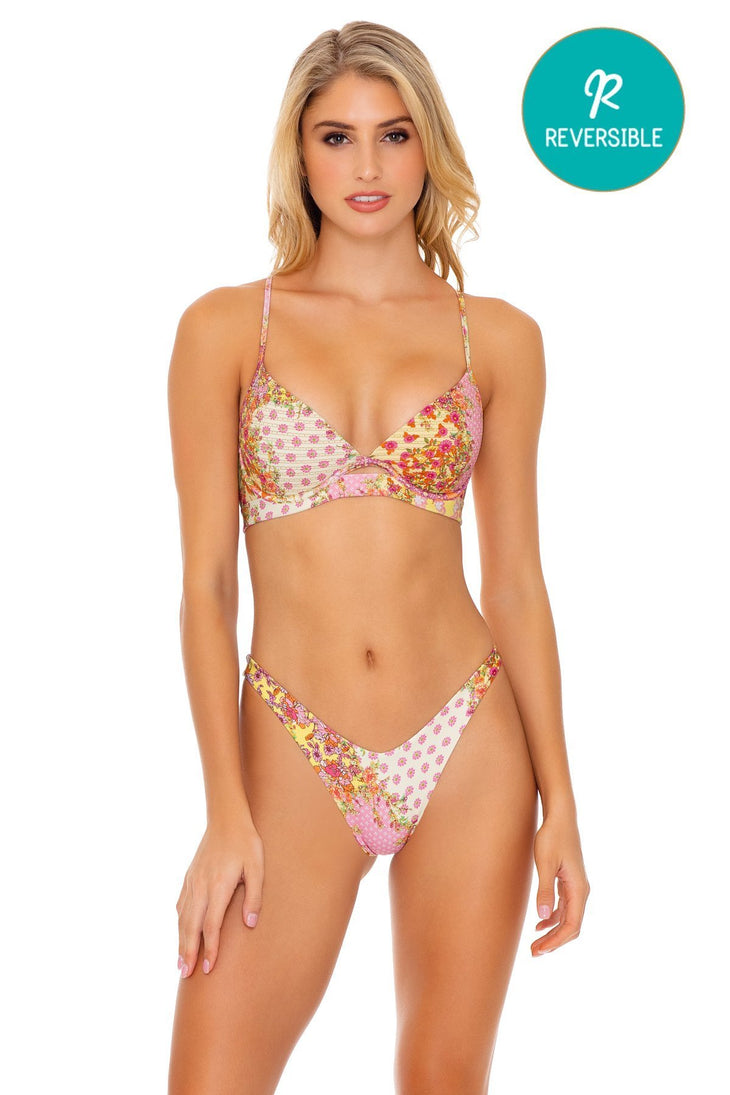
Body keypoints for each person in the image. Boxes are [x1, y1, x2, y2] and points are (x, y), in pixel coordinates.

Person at [166, 19, 590, 1094]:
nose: (367, 166)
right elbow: (207, 586)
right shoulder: (226, 328)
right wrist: (224, 809)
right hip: (292, 745)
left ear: (428, 147)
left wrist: (563, 804)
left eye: (394, 135)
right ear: (299, 153)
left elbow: (517, 583)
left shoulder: (497, 338)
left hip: (469, 739)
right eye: (337, 136)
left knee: (443, 1080)